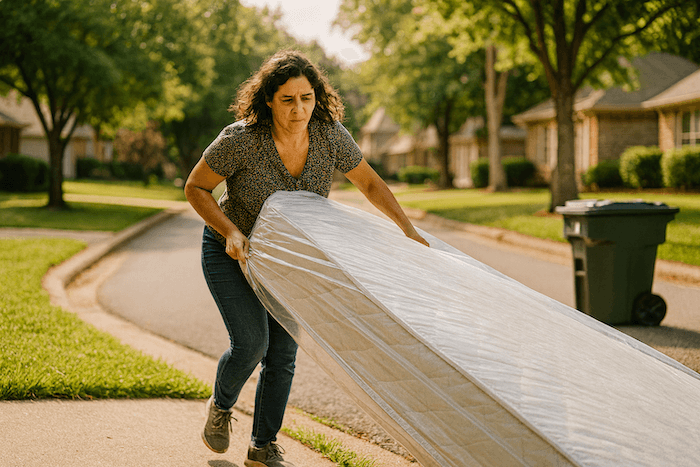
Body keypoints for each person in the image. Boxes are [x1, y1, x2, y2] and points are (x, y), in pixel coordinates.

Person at [185, 49, 428, 467]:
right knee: (251, 344)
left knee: (283, 354)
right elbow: (195, 187)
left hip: (287, 261)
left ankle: (262, 447)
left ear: (317, 97)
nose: (299, 109)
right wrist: (231, 231)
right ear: (268, 100)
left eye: (307, 97)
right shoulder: (241, 138)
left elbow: (369, 183)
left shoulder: (330, 136)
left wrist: (406, 227)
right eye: (287, 99)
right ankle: (222, 407)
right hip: (231, 251)